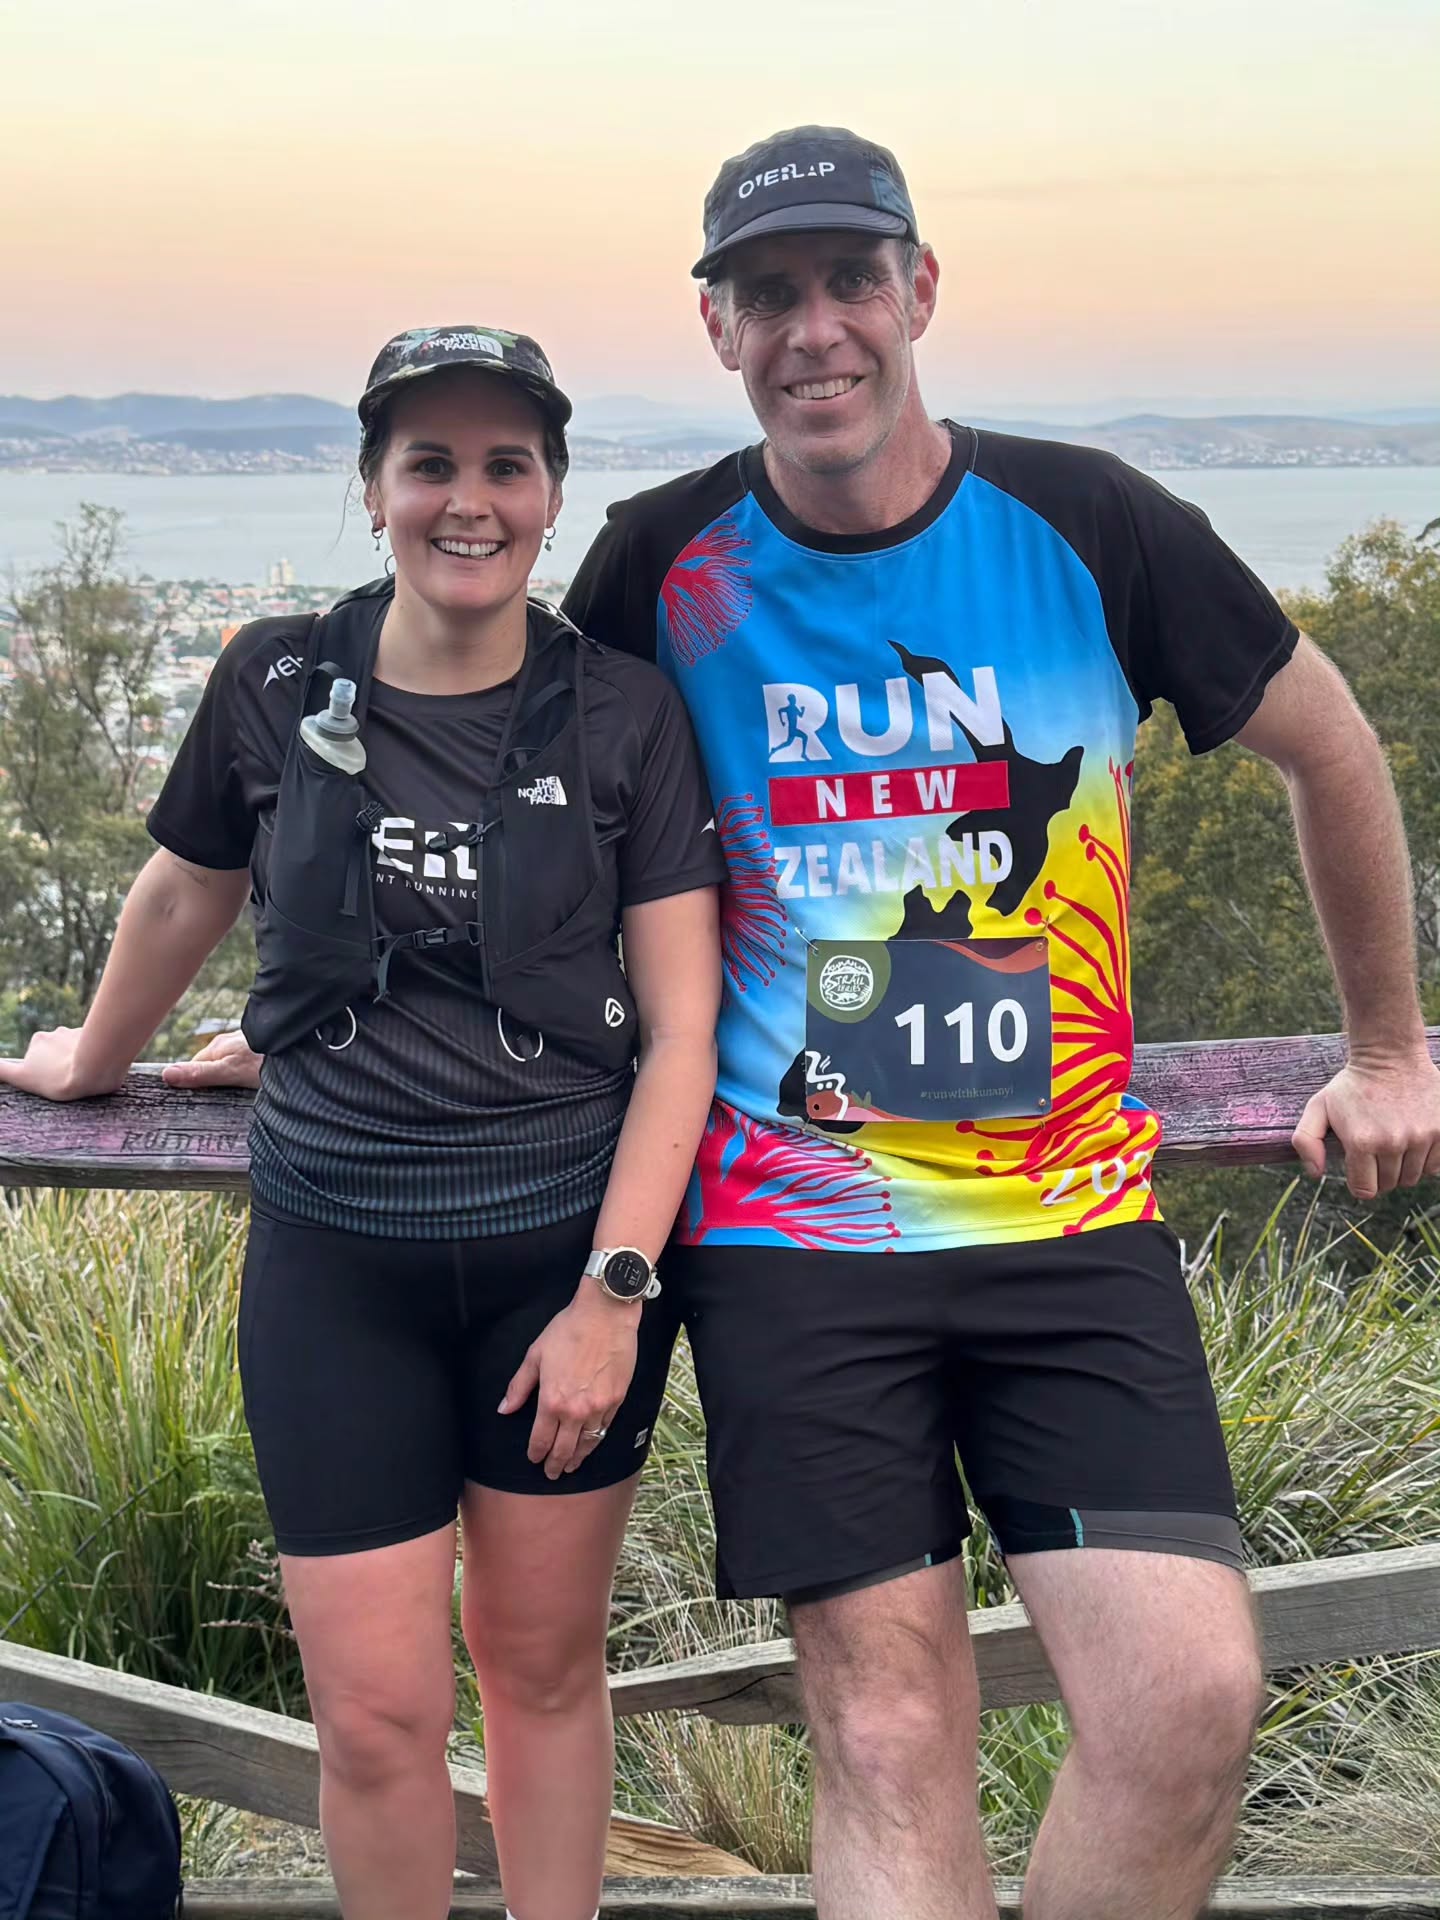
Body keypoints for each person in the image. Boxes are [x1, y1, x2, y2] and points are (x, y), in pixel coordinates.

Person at [557, 129, 1440, 1919]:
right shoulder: (662, 563)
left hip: (1070, 1224)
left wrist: (1392, 1047)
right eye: (772, 294)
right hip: (794, 1235)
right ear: (716, 325)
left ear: (920, 292)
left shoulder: (1092, 521)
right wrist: (324, 1016)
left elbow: (1332, 745)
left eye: (850, 282)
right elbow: (532, 824)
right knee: (885, 1737)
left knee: (1188, 1699)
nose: (817, 329)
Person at [0, 325, 726, 1920]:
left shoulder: (623, 718)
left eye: (504, 466)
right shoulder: (272, 679)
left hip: (561, 1271)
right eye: (431, 464)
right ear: (375, 484)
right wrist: (90, 1059)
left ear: (549, 494)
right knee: (377, 1714)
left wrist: (615, 1294)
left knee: (541, 1674)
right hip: (337, 1270)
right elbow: (186, 889)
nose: (468, 500)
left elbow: (683, 1029)